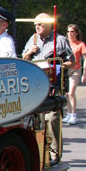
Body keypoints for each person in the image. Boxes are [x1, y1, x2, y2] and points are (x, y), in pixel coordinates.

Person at [22, 13, 75, 162]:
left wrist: (56, 66)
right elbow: (24, 59)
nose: (37, 27)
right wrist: (29, 53)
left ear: (49, 25)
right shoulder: (33, 39)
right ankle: (39, 154)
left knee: (52, 118)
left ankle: (55, 155)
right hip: (35, 85)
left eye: (40, 24)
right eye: (35, 25)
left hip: (53, 85)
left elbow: (72, 62)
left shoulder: (60, 40)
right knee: (36, 118)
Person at [64, 24, 86, 125]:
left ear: (76, 33)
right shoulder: (65, 43)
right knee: (65, 94)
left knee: (71, 93)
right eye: (68, 32)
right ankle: (69, 113)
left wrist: (84, 73)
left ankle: (74, 115)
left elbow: (85, 59)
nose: (70, 34)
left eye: (72, 32)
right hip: (66, 70)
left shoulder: (80, 44)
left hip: (76, 70)